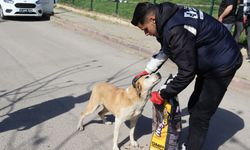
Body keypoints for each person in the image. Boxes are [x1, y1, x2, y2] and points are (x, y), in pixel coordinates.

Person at [131, 2, 242, 150]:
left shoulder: (175, 29)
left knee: (200, 115)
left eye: (145, 29)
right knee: (194, 104)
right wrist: (148, 70)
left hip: (222, 64)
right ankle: (192, 140)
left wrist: (163, 94)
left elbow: (186, 72)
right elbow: (167, 48)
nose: (146, 33)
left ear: (152, 19)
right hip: (210, 58)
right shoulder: (165, 18)